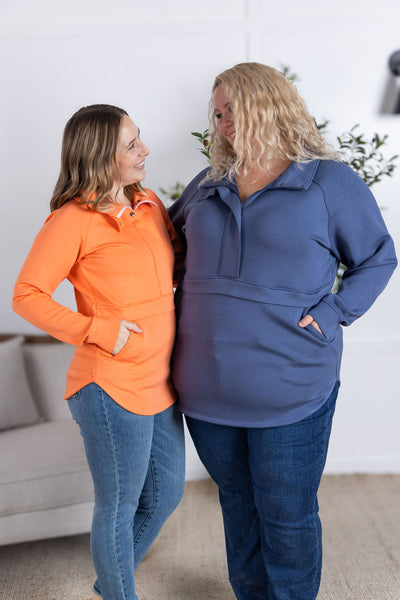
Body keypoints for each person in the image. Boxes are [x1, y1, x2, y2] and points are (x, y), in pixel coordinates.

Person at [168, 63, 397, 600]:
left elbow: (378, 257)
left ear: (270, 105)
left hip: (292, 384)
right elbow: (159, 247)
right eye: (217, 114)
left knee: (287, 514)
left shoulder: (328, 181)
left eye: (233, 110)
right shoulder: (208, 183)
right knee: (237, 504)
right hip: (205, 387)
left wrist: (335, 312)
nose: (224, 123)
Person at [13, 104, 185, 600]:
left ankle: (109, 583)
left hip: (160, 379)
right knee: (119, 506)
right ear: (99, 156)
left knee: (166, 494)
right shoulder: (72, 221)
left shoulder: (148, 202)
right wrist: (97, 330)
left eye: (139, 138)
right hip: (109, 385)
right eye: (131, 145)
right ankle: (118, 592)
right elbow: (26, 295)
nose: (144, 150)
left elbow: (176, 269)